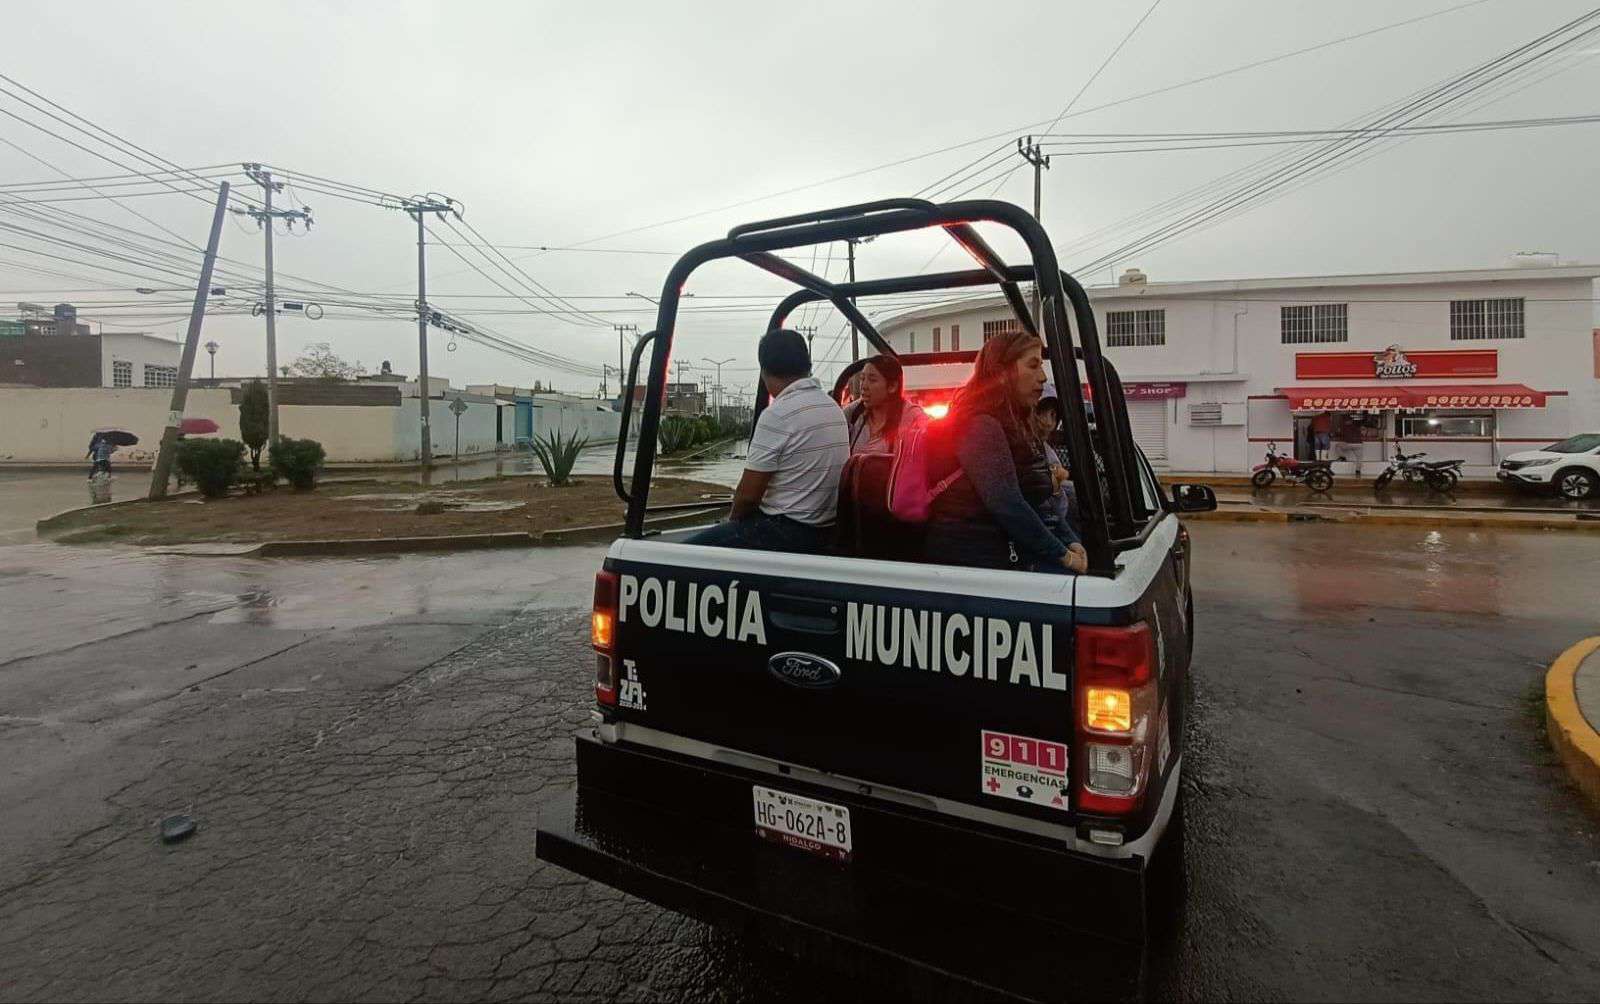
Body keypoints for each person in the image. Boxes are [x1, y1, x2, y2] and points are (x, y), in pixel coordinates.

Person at [923, 330, 1087, 574]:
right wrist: (1062, 555)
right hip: (974, 561)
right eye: (1032, 366)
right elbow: (1007, 502)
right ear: (1001, 373)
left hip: (1005, 549)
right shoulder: (979, 425)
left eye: (1041, 366)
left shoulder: (1019, 423)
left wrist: (1070, 539)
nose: (1043, 377)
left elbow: (1038, 501)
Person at [687, 328, 849, 553]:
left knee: (686, 554)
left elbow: (747, 498)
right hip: (826, 529)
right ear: (807, 365)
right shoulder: (832, 408)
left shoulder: (778, 414)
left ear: (764, 371)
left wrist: (732, 523)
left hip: (788, 531)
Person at [845, 353, 927, 456]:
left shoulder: (912, 416)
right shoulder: (854, 412)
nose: (864, 386)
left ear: (892, 386)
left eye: (872, 380)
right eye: (862, 379)